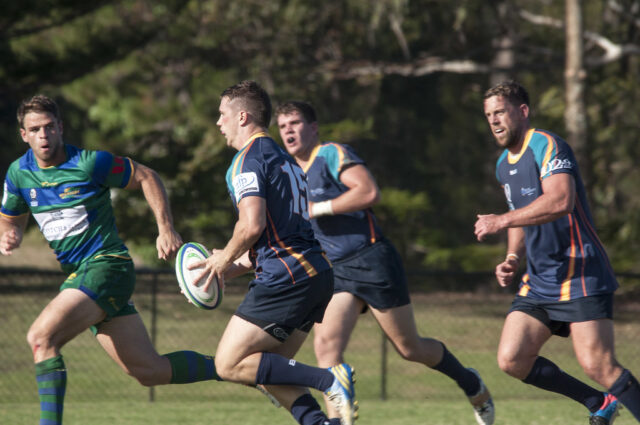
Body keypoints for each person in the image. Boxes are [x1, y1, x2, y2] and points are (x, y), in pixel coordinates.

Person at [0, 95, 223, 425]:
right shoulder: (19, 174)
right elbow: (9, 218)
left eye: (49, 127)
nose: (44, 136)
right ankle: (244, 368)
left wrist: (165, 229)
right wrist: (11, 234)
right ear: (24, 135)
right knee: (149, 370)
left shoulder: (90, 163)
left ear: (61, 128)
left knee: (41, 338)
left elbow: (147, 176)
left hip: (107, 265)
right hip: (84, 276)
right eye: (35, 130)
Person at [275, 100, 495, 425]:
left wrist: (320, 208)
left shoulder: (332, 154)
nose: (288, 131)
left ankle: (470, 381)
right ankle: (338, 422)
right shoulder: (290, 173)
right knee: (326, 346)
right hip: (335, 271)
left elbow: (368, 192)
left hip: (372, 259)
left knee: (410, 348)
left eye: (294, 123)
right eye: (282, 126)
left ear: (313, 127)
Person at [190, 81, 357, 425]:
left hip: (288, 276)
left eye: (222, 115)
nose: (218, 123)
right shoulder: (288, 162)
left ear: (242, 116)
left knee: (229, 363)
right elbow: (280, 234)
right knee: (270, 371)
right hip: (315, 273)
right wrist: (230, 265)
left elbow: (251, 226)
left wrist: (223, 258)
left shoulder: (246, 161)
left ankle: (329, 380)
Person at [475, 80, 640, 425]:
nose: (494, 121)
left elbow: (561, 200)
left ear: (522, 111)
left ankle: (609, 393)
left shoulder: (547, 145)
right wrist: (511, 258)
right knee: (512, 359)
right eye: (489, 115)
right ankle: (598, 402)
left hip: (579, 272)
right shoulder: (504, 163)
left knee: (599, 365)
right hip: (539, 278)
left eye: (500, 112)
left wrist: (500, 220)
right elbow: (521, 215)